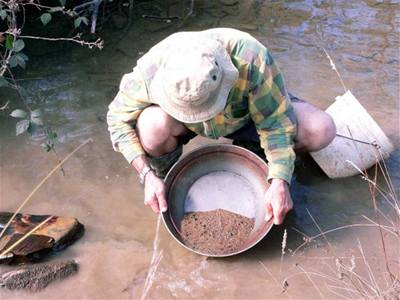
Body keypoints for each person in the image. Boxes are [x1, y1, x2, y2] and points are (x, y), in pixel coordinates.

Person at [107, 28, 336, 225]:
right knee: (152, 127)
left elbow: (275, 123)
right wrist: (147, 174)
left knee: (321, 129)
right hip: (187, 126)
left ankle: (254, 155)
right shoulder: (152, 69)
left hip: (247, 116)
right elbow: (117, 121)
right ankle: (163, 181)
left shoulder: (251, 57)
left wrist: (280, 180)